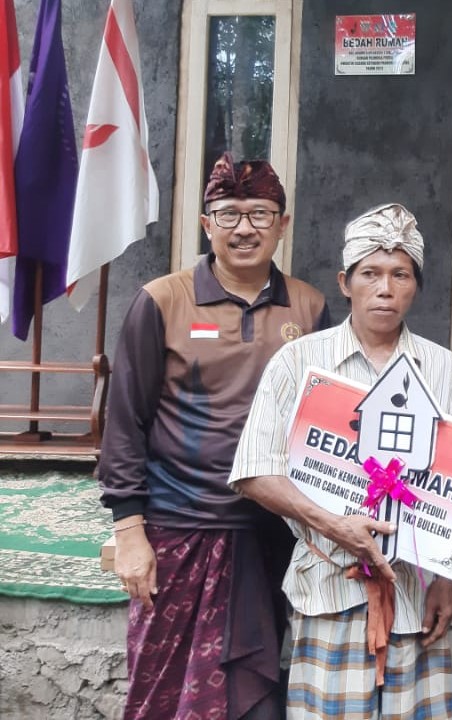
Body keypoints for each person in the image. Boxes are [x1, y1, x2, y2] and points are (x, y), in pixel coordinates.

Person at [97, 152, 330, 719]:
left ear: (282, 223)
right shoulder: (162, 301)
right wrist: (129, 531)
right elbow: (125, 423)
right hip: (180, 523)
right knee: (164, 688)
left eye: (259, 214)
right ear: (207, 225)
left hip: (272, 528)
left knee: (256, 690)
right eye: (228, 214)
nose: (244, 228)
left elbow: (324, 422)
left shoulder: (309, 306)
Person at [229, 203, 452, 719]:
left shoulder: (440, 368)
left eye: (400, 274)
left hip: (410, 591)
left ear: (416, 286)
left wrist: (445, 581)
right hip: (327, 587)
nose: (385, 289)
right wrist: (334, 525)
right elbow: (254, 472)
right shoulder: (299, 361)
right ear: (345, 283)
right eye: (370, 274)